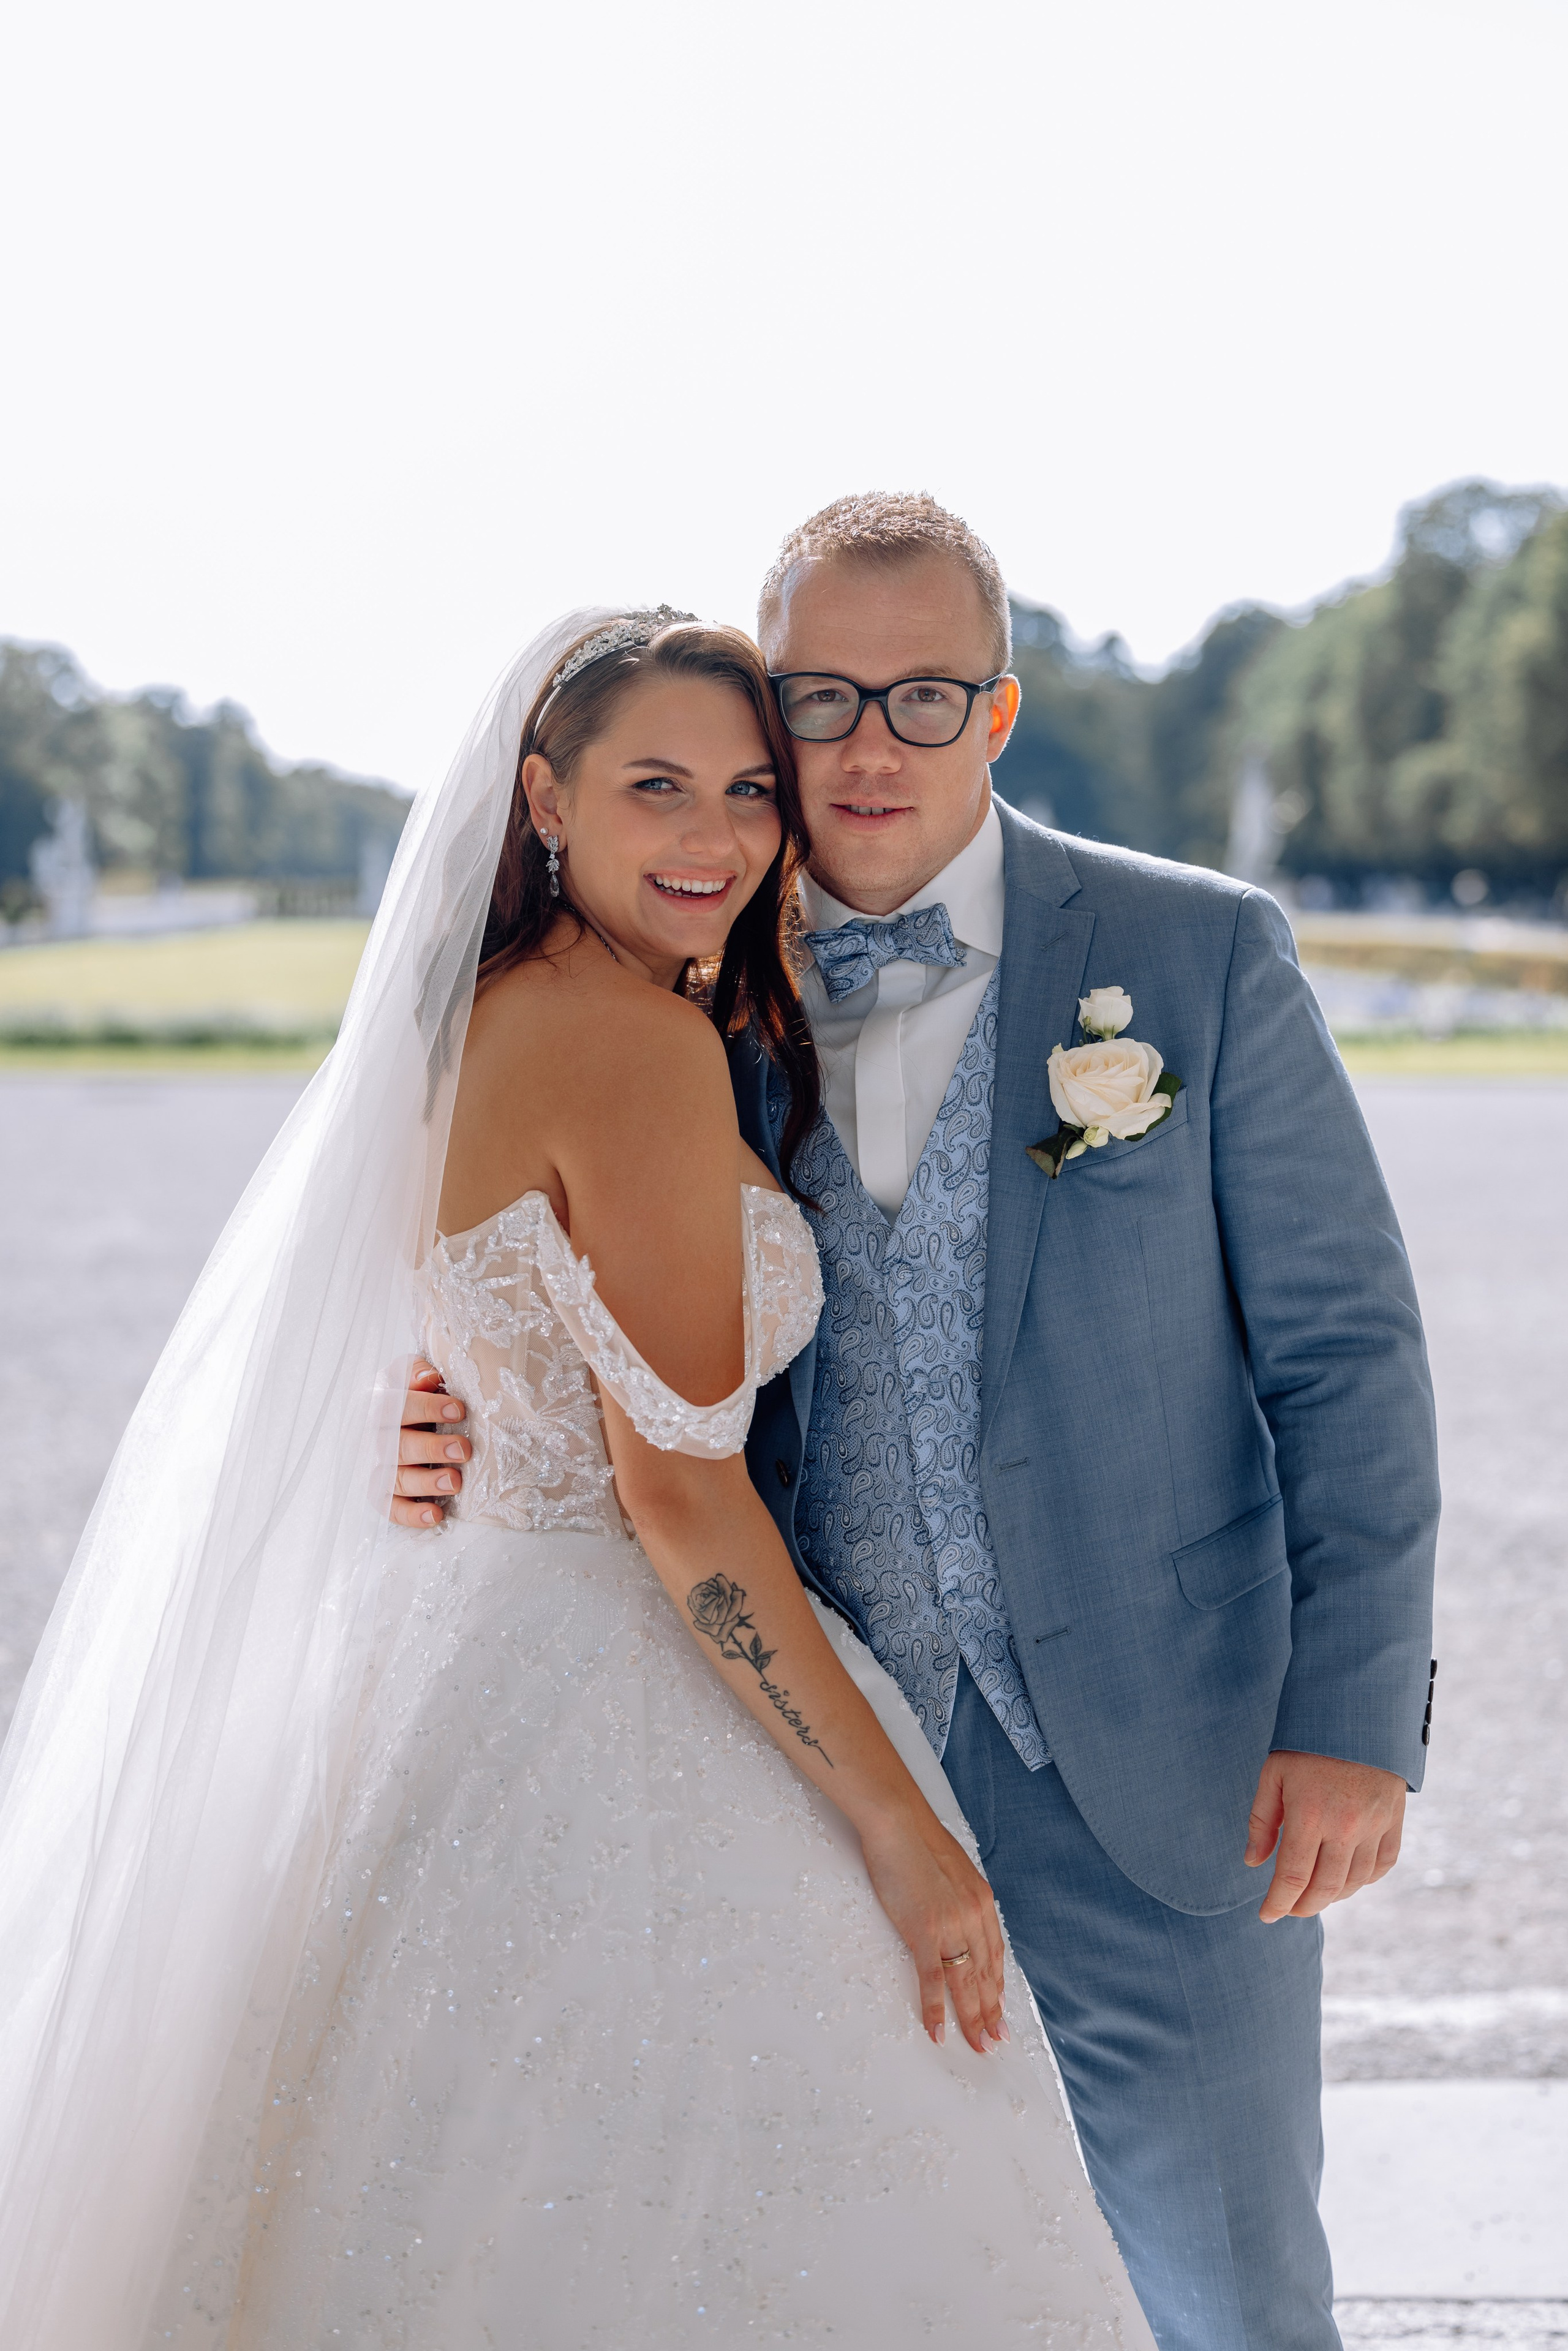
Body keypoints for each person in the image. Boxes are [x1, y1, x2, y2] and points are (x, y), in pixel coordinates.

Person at [0, 608, 1156, 2348]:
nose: (717, 837)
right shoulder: (629, 1043)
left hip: (450, 1649)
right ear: (546, 798)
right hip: (617, 1677)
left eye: (749, 790)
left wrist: (426, 1424)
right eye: (656, 788)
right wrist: (904, 1834)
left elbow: (469, 1338)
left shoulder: (473, 1018)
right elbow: (681, 1502)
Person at [396, 494, 1442, 2351]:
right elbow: (554, 1294)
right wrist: (442, 1411)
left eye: (927, 697)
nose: (870, 747)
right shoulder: (686, 968)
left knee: (1232, 2299)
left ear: (1001, 711)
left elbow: (1346, 1358)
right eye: (821, 700)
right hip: (795, 1769)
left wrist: (1355, 1721)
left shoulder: (1198, 953)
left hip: (1159, 1766)